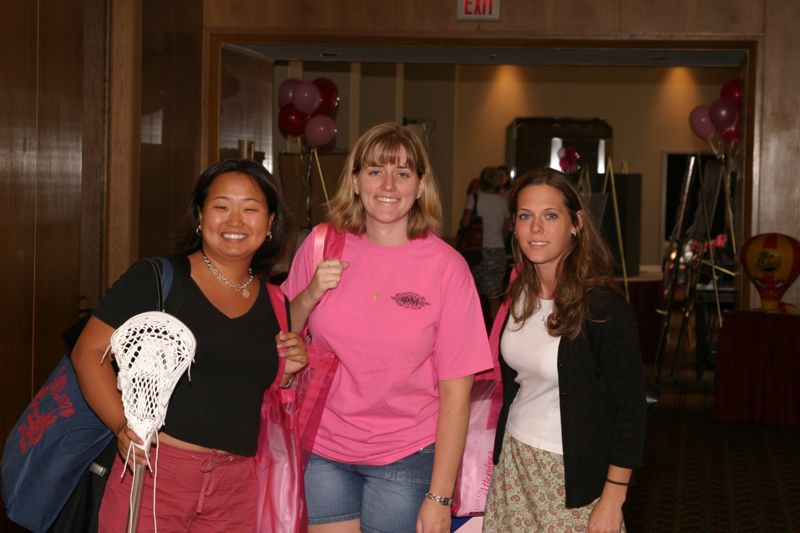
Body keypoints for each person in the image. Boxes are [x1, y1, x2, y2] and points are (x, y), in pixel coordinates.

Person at [71, 159, 309, 532]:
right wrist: (123, 427)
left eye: (250, 209)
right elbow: (88, 352)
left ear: (270, 223)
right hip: (156, 473)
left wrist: (287, 372)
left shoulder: (275, 303)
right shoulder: (157, 278)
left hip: (237, 487)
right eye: (221, 206)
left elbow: (244, 389)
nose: (234, 221)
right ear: (200, 215)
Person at [282, 122, 493, 533]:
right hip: (324, 446)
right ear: (356, 181)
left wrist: (439, 496)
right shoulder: (322, 244)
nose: (389, 185)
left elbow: (456, 392)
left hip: (406, 453)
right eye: (376, 171)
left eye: (403, 173)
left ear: (421, 184)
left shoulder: (447, 268)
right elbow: (282, 332)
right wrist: (308, 294)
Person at [482, 168, 647, 533]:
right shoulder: (518, 296)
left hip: (572, 477)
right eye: (526, 216)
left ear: (576, 223)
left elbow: (631, 411)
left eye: (550, 216)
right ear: (514, 226)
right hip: (514, 464)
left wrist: (613, 498)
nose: (536, 228)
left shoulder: (602, 307)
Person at [459, 165, 510, 324]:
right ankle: (494, 338)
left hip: (476, 251)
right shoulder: (503, 201)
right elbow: (506, 230)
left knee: (473, 297)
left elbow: (466, 222)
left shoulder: (474, 197)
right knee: (494, 298)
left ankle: (473, 332)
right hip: (497, 252)